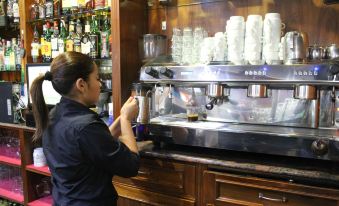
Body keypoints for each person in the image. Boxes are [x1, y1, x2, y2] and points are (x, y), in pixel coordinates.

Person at [30, 51, 139, 206]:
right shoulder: (86, 126)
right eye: (97, 78)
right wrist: (127, 120)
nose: (100, 84)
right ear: (81, 84)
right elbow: (131, 165)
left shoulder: (54, 114)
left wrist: (122, 117)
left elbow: (92, 145)